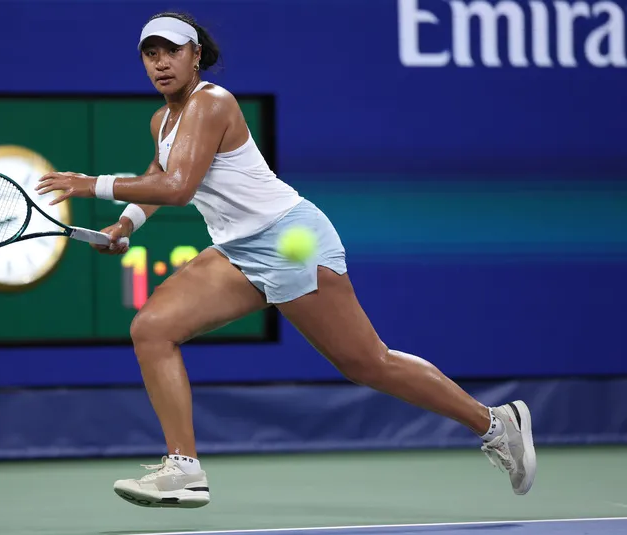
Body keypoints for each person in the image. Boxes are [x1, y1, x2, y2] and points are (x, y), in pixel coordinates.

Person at [35, 12, 536, 508]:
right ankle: (182, 469)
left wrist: (89, 185)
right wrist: (125, 224)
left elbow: (178, 186)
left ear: (196, 57)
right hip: (237, 249)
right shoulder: (162, 119)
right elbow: (159, 172)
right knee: (151, 327)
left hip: (289, 238)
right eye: (151, 53)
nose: (161, 63)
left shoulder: (213, 102)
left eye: (173, 51)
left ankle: (494, 424)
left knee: (366, 363)